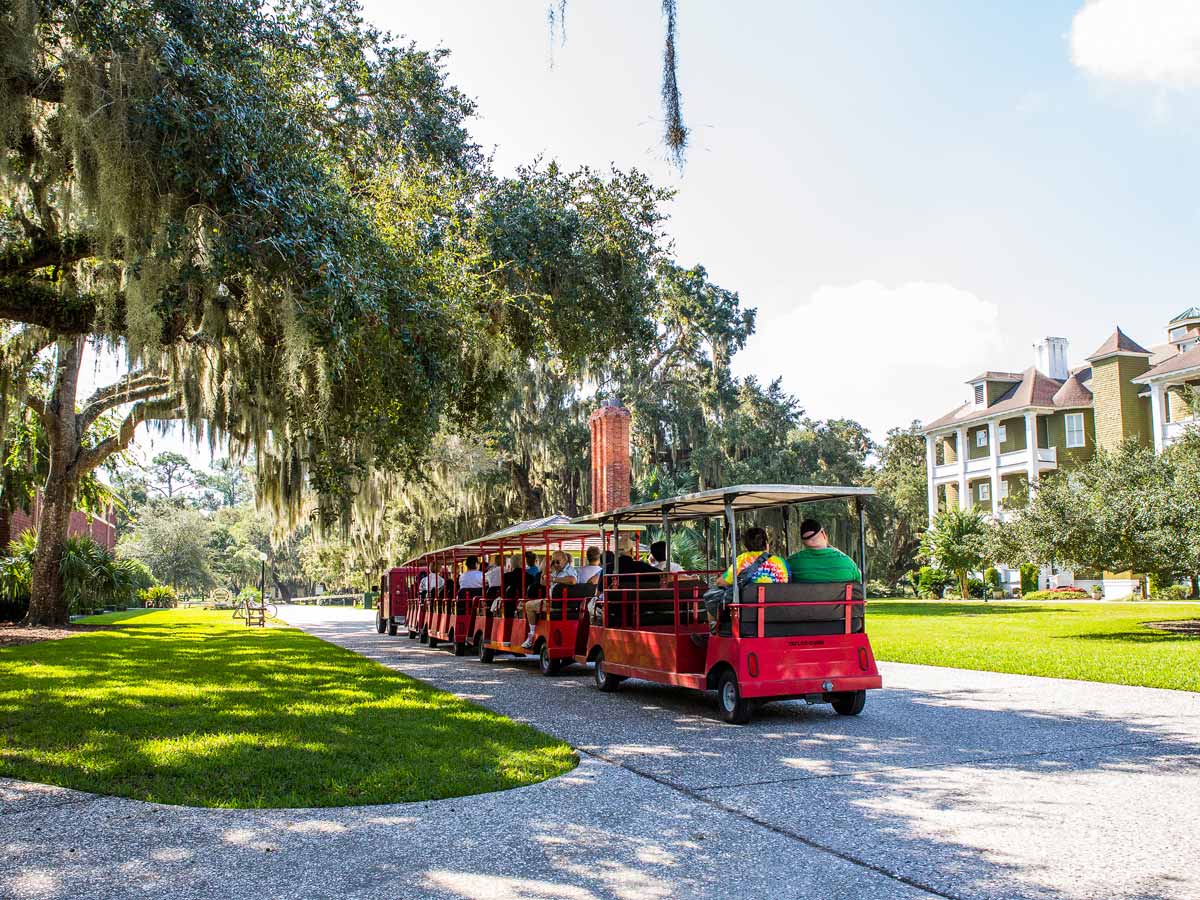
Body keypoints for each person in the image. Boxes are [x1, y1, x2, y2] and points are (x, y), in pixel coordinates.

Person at [523, 550, 576, 648]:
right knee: (529, 603)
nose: (555, 564)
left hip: (557, 604)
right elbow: (543, 583)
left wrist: (554, 579)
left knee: (528, 605)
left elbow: (573, 580)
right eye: (553, 562)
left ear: (565, 560)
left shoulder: (569, 570)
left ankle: (532, 635)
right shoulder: (558, 571)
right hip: (556, 602)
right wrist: (546, 569)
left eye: (558, 562)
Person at [785, 518, 861, 583]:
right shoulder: (848, 563)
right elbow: (859, 584)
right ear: (823, 533)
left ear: (803, 541)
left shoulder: (791, 563)